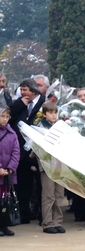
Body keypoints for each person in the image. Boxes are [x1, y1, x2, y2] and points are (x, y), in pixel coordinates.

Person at [9, 78, 45, 224]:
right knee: (23, 185)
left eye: (25, 90)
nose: (22, 93)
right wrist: (19, 104)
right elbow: (8, 118)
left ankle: (43, 214)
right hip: (22, 152)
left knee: (41, 186)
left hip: (38, 152)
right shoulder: (19, 104)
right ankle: (24, 214)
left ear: (33, 90)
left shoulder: (43, 103)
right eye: (21, 90)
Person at [36, 102, 66, 234]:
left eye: (55, 112)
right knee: (48, 195)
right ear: (44, 114)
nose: (54, 115)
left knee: (59, 194)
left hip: (60, 165)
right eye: (50, 113)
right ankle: (47, 223)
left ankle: (57, 221)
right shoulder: (40, 127)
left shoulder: (60, 127)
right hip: (47, 165)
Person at [0, 105, 19, 236]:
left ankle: (4, 224)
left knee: (6, 200)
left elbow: (16, 151)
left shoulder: (12, 133)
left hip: (8, 174)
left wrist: (11, 167)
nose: (5, 119)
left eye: (7, 116)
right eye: (2, 116)